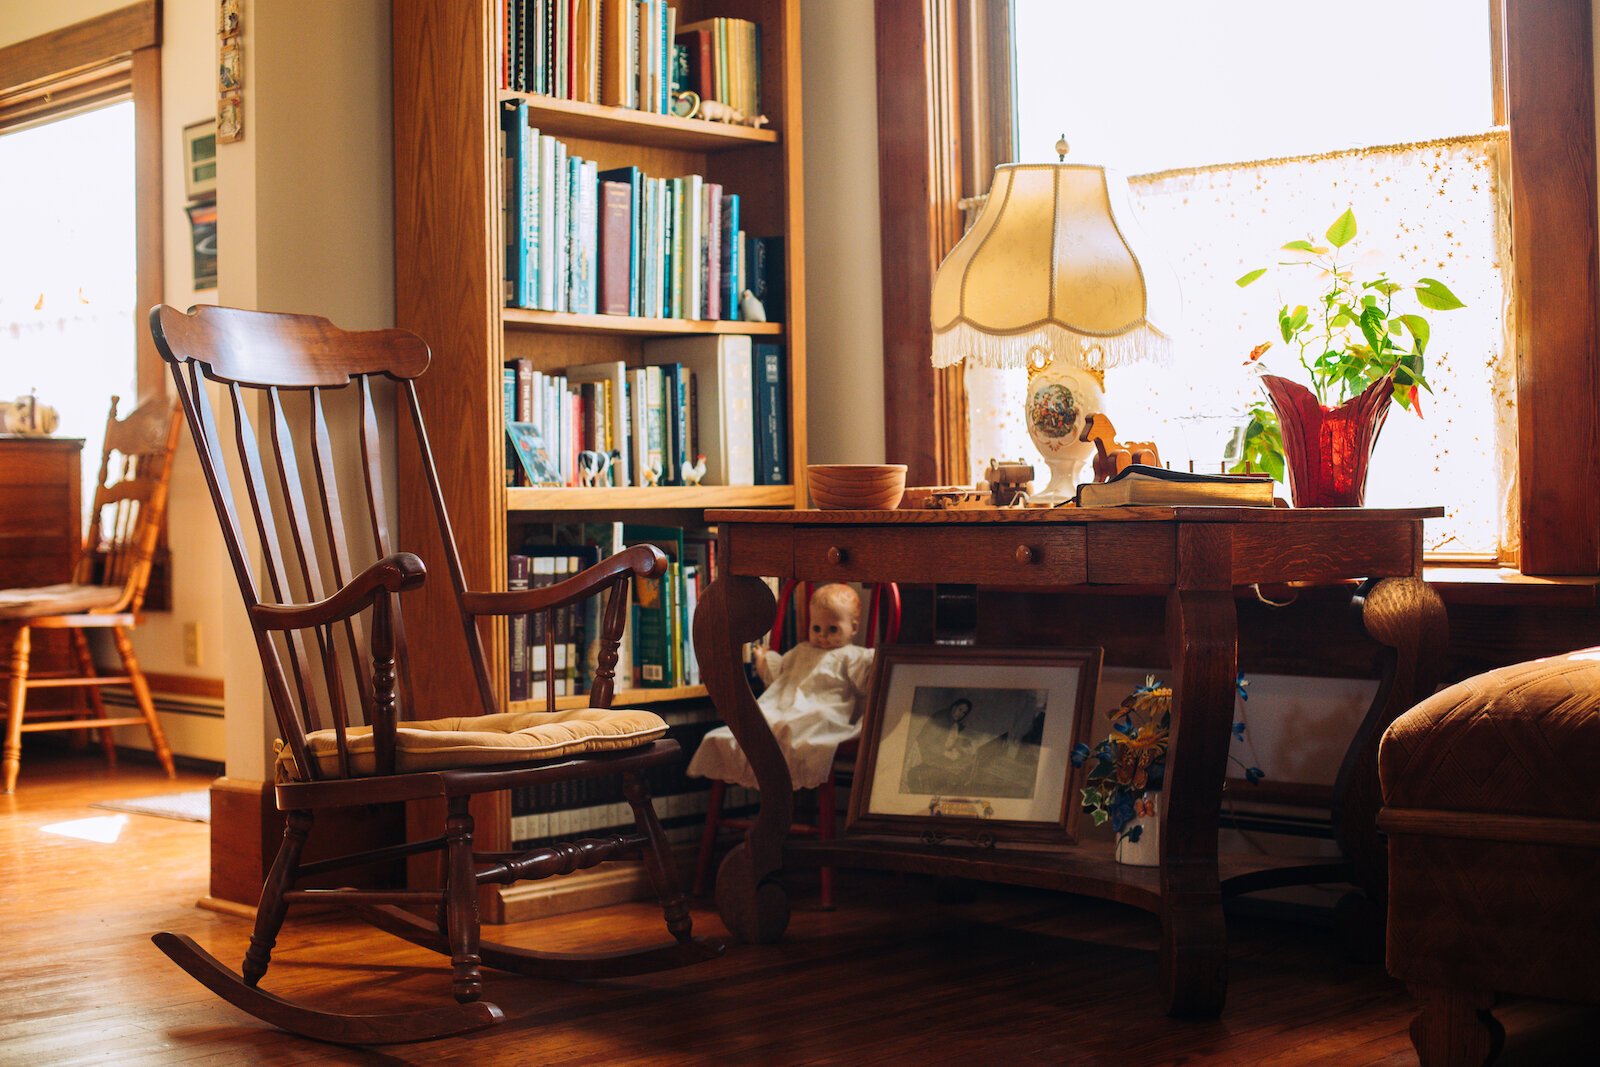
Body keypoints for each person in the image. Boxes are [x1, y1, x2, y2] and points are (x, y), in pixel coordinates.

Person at [688, 584, 875, 790]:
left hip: (824, 710)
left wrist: (873, 668)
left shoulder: (852, 656)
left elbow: (867, 678)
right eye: (816, 628)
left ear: (854, 628)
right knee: (762, 725)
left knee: (805, 726)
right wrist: (763, 659)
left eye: (833, 629)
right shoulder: (802, 650)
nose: (823, 636)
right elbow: (779, 674)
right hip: (783, 706)